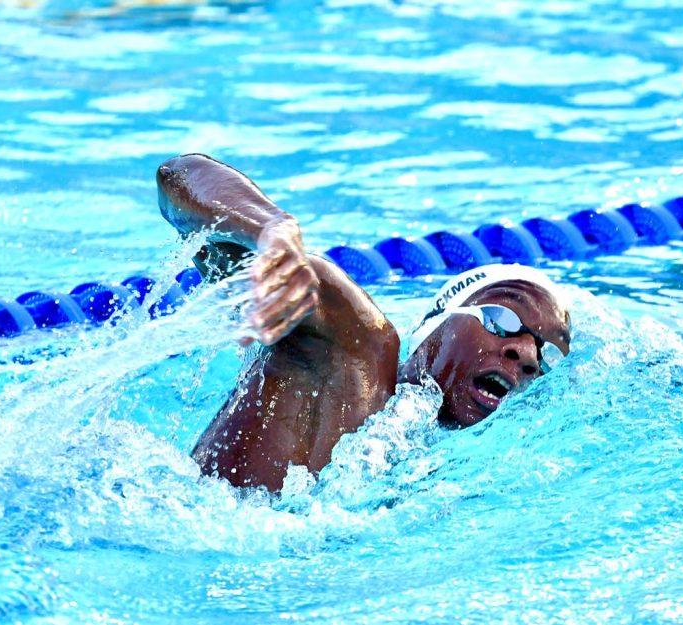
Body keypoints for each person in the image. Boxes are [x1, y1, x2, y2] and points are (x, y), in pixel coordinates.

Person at [156, 154, 572, 491]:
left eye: (545, 350)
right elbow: (182, 174)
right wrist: (272, 231)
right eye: (502, 318)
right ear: (436, 325)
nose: (528, 354)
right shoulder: (359, 348)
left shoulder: (432, 460)